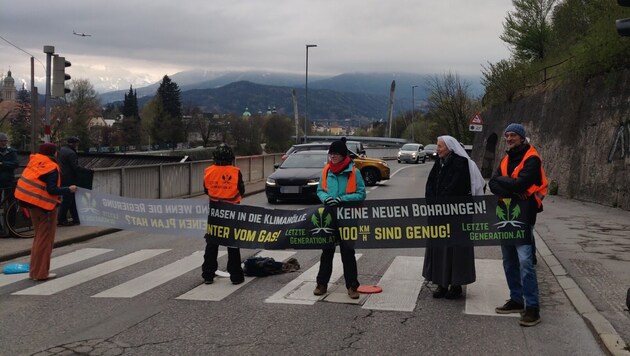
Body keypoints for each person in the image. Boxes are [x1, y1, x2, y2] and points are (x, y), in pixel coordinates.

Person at [489, 123, 547, 327]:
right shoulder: (506, 158)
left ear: (522, 138)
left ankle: (532, 308)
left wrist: (507, 184)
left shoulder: (532, 158)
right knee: (509, 260)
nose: (509, 138)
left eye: (513, 135)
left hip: (524, 215)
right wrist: (512, 187)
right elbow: (492, 183)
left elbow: (521, 184)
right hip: (505, 213)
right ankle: (516, 299)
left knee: (524, 261)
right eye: (507, 135)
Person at [422, 135, 485, 299]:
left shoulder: (461, 164)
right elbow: (430, 185)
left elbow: (455, 189)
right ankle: (441, 283)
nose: (437, 149)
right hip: (438, 216)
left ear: (449, 147)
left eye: (440, 146)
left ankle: (455, 285)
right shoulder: (439, 163)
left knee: (455, 251)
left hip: (456, 218)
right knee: (439, 250)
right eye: (437, 145)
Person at [14, 143, 77, 281]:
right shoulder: (51, 166)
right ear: (53, 153)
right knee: (45, 240)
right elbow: (52, 189)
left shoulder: (35, 161)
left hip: (31, 203)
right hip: (45, 207)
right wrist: (69, 189)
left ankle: (34, 272)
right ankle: (42, 273)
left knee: (38, 239)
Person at [314, 138, 366, 299]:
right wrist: (325, 198)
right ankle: (321, 284)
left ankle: (352, 286)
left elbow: (361, 194)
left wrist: (342, 199)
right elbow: (320, 190)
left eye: (336, 154)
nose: (333, 156)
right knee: (327, 251)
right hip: (329, 217)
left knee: (348, 253)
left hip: (348, 217)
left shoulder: (354, 172)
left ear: (343, 155)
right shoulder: (326, 171)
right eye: (331, 153)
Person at [201, 144, 245, 285]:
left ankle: (208, 274)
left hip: (215, 210)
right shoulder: (235, 171)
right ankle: (236, 276)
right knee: (232, 243)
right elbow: (241, 190)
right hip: (232, 210)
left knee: (212, 242)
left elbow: (206, 190)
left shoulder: (208, 171)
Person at [58, 136, 92, 226]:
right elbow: (75, 167)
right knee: (68, 200)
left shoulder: (62, 150)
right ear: (73, 144)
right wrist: (87, 171)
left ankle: (76, 218)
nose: (77, 146)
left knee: (71, 199)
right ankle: (62, 219)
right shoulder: (71, 153)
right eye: (77, 144)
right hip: (70, 179)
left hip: (63, 177)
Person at [0, 132, 18, 204]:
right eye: (1, 141)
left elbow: (15, 164)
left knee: (11, 201)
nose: (3, 143)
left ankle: (10, 215)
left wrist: (3, 164)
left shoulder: (11, 151)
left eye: (5, 141)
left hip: (9, 179)